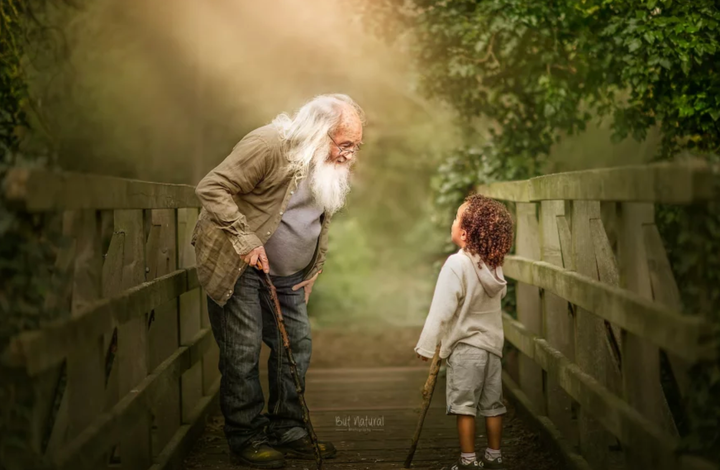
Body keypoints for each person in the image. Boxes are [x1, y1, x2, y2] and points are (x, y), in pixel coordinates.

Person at [191, 94, 364, 468]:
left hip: (289, 277)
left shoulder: (325, 160)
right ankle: (246, 437)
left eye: (356, 146)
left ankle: (287, 429)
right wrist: (245, 239)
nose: (351, 155)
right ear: (320, 133)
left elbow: (317, 219)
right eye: (346, 145)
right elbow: (212, 187)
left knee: (296, 346)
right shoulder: (268, 144)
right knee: (243, 351)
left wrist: (313, 266)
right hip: (240, 266)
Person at [414, 194, 514, 470]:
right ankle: (494, 456)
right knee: (493, 404)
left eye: (457, 218)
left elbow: (441, 310)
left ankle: (468, 461)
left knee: (465, 407)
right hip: (492, 347)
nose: (453, 221)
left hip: (466, 350)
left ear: (465, 233)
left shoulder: (456, 265)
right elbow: (500, 293)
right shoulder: (494, 265)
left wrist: (426, 346)